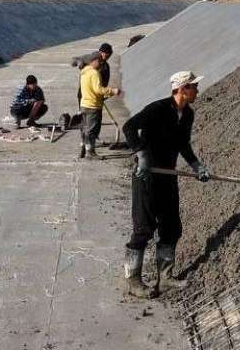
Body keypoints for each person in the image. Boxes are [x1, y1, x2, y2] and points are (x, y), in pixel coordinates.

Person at [121, 70, 210, 298]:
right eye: (193, 87)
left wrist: (196, 165)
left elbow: (183, 144)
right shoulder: (157, 109)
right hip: (147, 176)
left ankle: (166, 277)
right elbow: (129, 127)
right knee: (143, 229)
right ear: (181, 89)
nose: (196, 90)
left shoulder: (187, 114)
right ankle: (133, 281)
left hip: (167, 176)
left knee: (172, 227)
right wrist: (141, 154)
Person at [79, 53, 120, 159]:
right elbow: (98, 89)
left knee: (85, 128)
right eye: (100, 62)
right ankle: (90, 153)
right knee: (92, 130)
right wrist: (113, 91)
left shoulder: (84, 71)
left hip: (84, 104)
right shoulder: (94, 73)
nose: (101, 64)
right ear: (94, 61)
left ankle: (83, 147)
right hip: (93, 106)